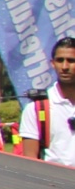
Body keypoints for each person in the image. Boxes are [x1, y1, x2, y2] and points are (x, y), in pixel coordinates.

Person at [19, 37, 75, 166]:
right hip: (52, 178)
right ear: (52, 63)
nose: (65, 67)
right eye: (60, 60)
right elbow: (30, 161)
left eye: (71, 61)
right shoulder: (36, 108)